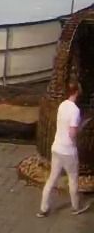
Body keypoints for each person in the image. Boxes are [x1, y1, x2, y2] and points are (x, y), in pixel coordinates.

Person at [39, 81, 90, 216]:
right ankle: (75, 207)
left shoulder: (62, 105)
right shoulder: (75, 110)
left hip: (56, 147)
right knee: (73, 179)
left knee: (52, 178)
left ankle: (43, 208)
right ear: (77, 92)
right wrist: (80, 129)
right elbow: (72, 133)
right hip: (68, 151)